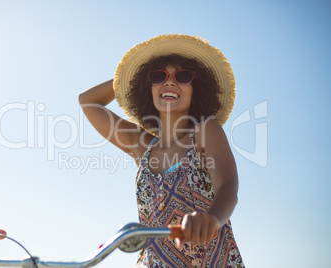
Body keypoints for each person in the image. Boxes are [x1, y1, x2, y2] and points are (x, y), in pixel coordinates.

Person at [78, 34, 244, 267]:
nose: (170, 82)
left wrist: (212, 219)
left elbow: (228, 186)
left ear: (196, 88)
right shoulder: (142, 146)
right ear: (149, 87)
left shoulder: (206, 131)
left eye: (182, 76)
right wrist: (131, 76)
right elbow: (88, 102)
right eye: (159, 76)